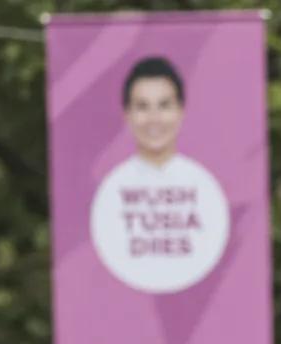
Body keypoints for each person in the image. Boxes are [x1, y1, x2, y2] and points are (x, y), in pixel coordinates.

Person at [89, 56, 229, 294]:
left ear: (181, 111)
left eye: (164, 105)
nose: (154, 119)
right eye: (142, 106)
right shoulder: (110, 190)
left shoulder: (205, 186)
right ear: (127, 115)